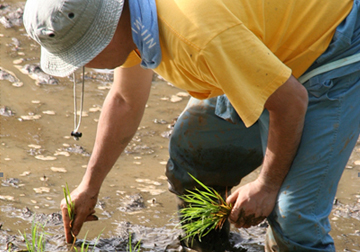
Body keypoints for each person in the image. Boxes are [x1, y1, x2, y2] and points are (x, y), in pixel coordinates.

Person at [23, 0, 360, 251]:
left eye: (82, 55)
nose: (82, 66)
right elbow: (126, 100)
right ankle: (208, 245)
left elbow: (290, 102)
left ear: (107, 28)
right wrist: (90, 186)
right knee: (194, 153)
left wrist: (267, 186)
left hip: (331, 50)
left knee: (294, 219)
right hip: (257, 52)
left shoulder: (196, 37)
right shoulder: (134, 19)